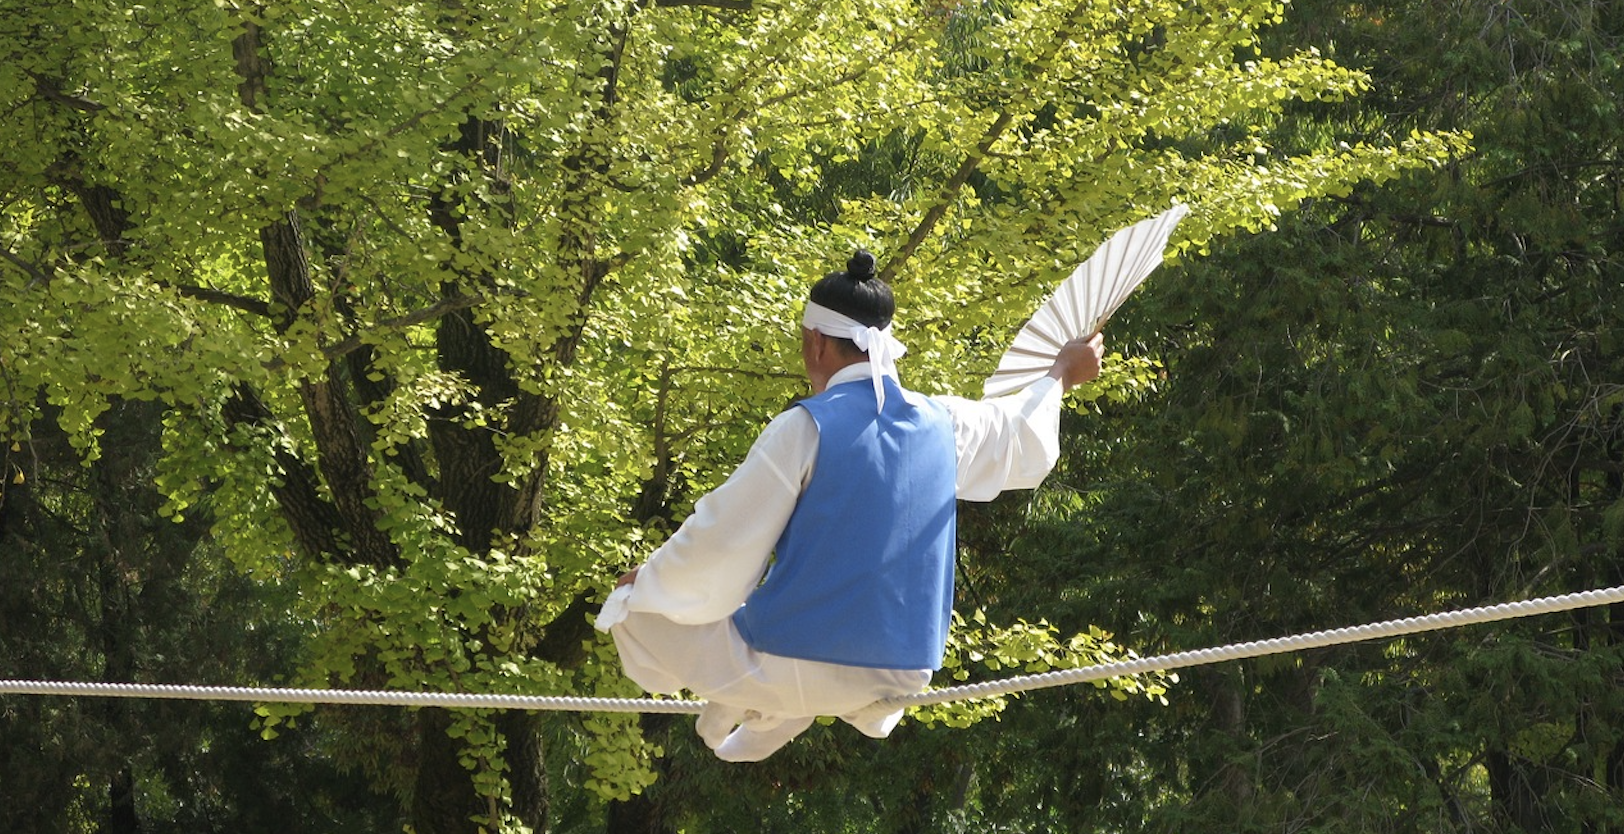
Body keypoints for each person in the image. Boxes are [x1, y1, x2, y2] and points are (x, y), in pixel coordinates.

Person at [595, 250, 1104, 762]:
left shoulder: (803, 428)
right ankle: (774, 707)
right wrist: (1060, 372)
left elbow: (722, 541)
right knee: (771, 642)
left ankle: (762, 701)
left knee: (635, 612)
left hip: (792, 660)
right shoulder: (946, 423)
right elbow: (1018, 435)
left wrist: (647, 580)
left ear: (815, 341)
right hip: (900, 673)